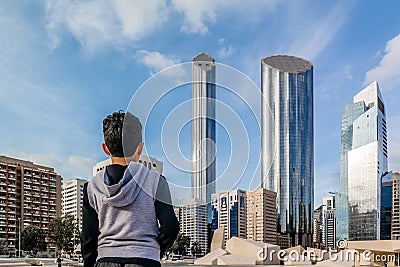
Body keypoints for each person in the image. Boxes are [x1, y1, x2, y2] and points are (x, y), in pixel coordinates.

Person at [80, 111, 180, 267]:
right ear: (140, 148)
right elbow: (171, 227)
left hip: (106, 260)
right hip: (146, 260)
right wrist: (153, 250)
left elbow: (88, 238)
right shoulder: (156, 181)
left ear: (106, 148)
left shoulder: (91, 187)